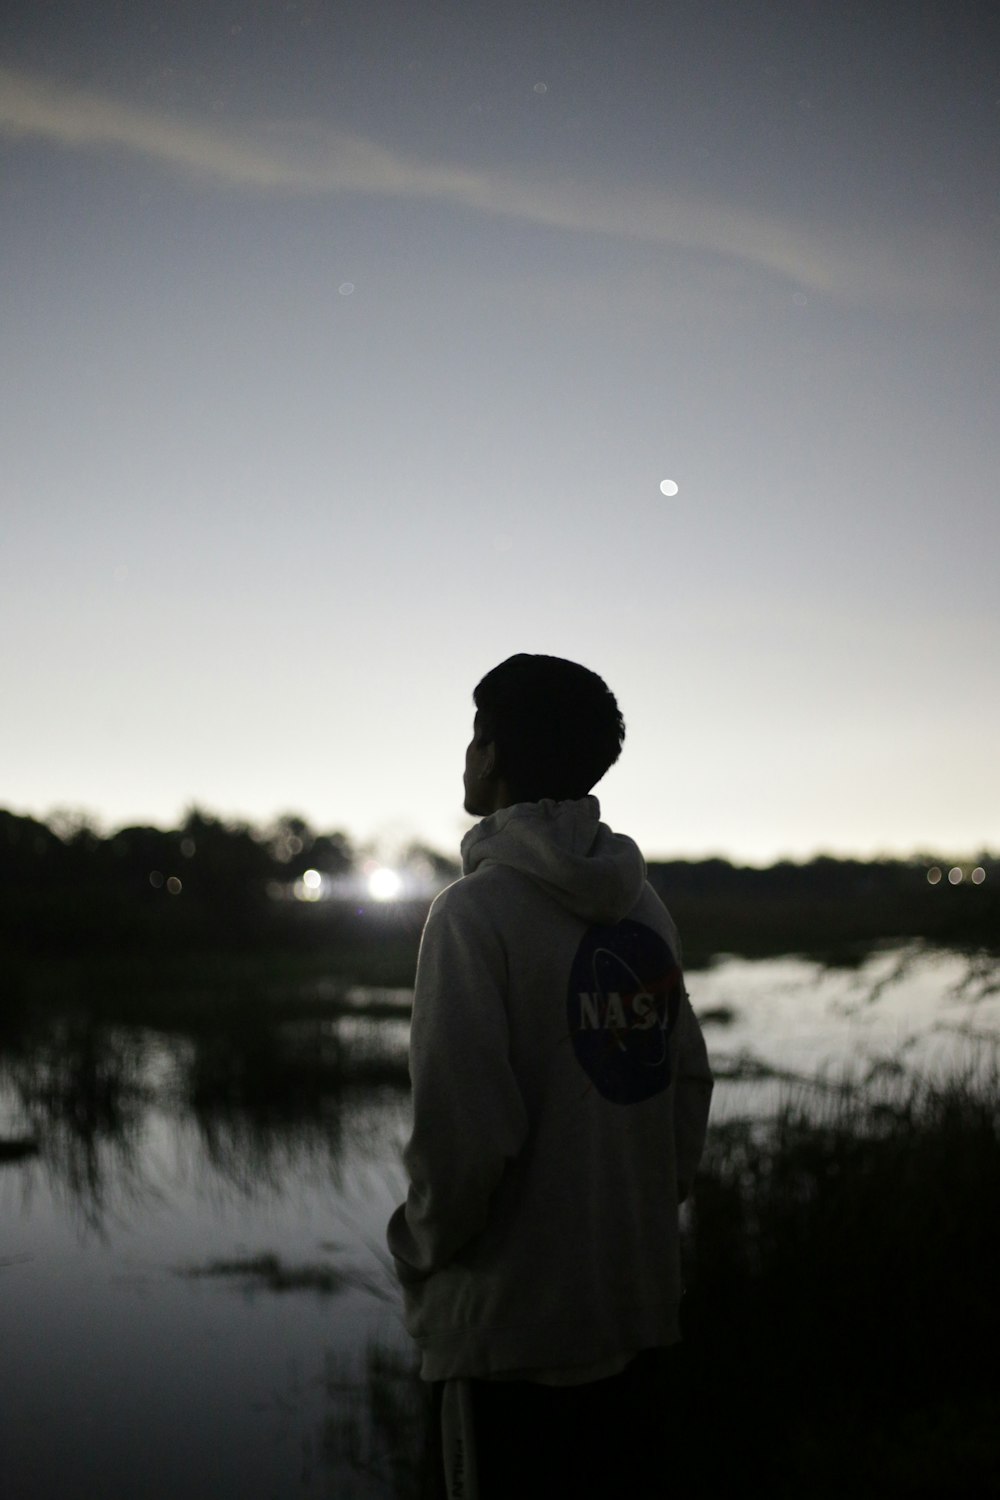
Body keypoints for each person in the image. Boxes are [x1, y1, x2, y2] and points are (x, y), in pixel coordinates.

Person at [387, 654, 713, 1498]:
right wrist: (633, 1219)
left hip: (507, 1351)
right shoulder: (647, 912)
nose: (466, 754)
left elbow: (464, 1140)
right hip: (632, 1330)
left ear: (492, 755)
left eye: (474, 735)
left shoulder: (472, 915)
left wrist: (417, 1250)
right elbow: (685, 1089)